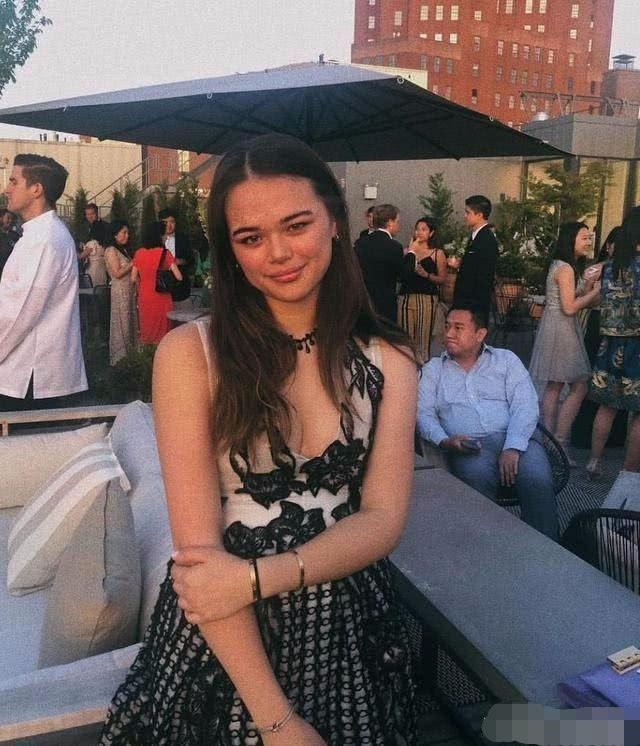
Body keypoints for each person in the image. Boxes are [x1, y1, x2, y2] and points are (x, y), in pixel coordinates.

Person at [100, 133, 418, 744]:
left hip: (354, 633)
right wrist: (277, 723)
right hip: (228, 648)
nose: (278, 253)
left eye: (296, 225)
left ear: (334, 219)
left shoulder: (390, 360)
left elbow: (383, 518)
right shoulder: (191, 356)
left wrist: (255, 577)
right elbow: (199, 562)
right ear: (231, 251)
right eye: (250, 238)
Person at [417, 305, 558, 540]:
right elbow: (423, 413)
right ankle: (486, 547)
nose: (448, 333)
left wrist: (513, 447)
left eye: (458, 328)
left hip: (517, 437)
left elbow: (525, 404)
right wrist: (444, 441)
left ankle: (547, 548)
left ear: (480, 334)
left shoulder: (506, 360)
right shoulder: (433, 370)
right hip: (470, 446)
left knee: (537, 479)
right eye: (447, 326)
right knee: (476, 481)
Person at [0, 154, 87, 410]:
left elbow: (19, 315)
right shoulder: (39, 234)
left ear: (36, 189)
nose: (6, 189)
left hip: (30, 376)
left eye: (14, 181)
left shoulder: (44, 239)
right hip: (27, 374)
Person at [528, 222, 600, 464]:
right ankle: (559, 441)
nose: (588, 242)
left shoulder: (560, 265)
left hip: (556, 325)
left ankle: (551, 443)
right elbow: (569, 307)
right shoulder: (566, 268)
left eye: (589, 238)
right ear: (571, 239)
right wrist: (595, 292)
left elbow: (570, 297)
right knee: (579, 386)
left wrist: (587, 286)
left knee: (555, 385)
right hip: (562, 327)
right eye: (583, 237)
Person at [587, 207, 640, 479]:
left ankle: (594, 462)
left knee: (606, 406)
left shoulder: (610, 266)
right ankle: (628, 471)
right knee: (638, 413)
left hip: (610, 343)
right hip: (637, 347)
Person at [398, 216, 447, 362]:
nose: (419, 232)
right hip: (406, 297)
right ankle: (406, 365)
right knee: (405, 336)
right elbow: (400, 274)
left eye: (424, 229)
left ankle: (423, 366)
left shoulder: (437, 253)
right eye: (417, 229)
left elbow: (442, 279)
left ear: (431, 233)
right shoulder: (407, 251)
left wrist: (426, 275)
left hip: (426, 298)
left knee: (423, 337)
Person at [131, 221, 182, 345]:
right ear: (159, 236)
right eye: (164, 235)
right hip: (161, 296)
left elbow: (133, 277)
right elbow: (179, 277)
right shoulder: (165, 253)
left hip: (144, 296)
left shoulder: (139, 253)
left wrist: (141, 283)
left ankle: (147, 353)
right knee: (163, 332)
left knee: (147, 329)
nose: (166, 238)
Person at [355, 203, 405, 323]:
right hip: (385, 304)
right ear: (390, 222)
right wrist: (412, 254)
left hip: (363, 302)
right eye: (397, 222)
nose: (398, 226)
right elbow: (402, 275)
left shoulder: (361, 243)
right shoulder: (394, 246)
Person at [452, 194, 499, 315]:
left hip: (473, 303)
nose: (465, 216)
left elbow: (484, 274)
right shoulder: (476, 236)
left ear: (479, 215)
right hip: (466, 300)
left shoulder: (486, 239)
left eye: (468, 213)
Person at [104, 220, 137, 365]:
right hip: (120, 291)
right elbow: (117, 273)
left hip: (129, 290)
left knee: (130, 322)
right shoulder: (111, 250)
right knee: (122, 322)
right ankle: (120, 358)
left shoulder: (123, 249)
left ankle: (131, 355)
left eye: (127, 232)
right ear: (115, 234)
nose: (127, 235)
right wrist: (133, 262)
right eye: (124, 232)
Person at [0, 208, 21, 280]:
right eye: (8, 218)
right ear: (1, 218)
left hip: (11, 273)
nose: (10, 220)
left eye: (12, 219)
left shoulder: (15, 235)